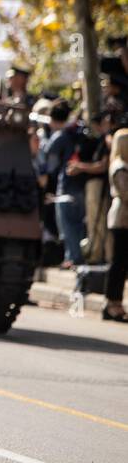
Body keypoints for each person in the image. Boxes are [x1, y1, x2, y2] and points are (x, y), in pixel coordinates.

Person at [39, 100, 87, 269]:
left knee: (67, 224)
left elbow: (47, 158)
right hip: (82, 183)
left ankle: (74, 258)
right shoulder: (80, 132)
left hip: (66, 185)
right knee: (78, 223)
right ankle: (71, 256)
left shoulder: (60, 136)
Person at [104, 128, 128, 321]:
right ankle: (112, 302)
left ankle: (116, 302)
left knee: (122, 263)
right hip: (121, 218)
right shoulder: (120, 166)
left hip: (124, 217)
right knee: (118, 263)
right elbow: (125, 192)